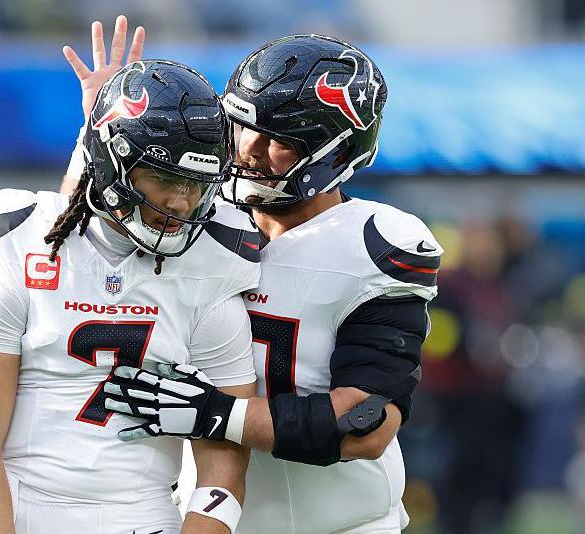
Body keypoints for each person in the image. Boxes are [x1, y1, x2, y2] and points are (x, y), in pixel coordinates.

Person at [72, 31, 442, 533]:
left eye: (280, 141)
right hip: (205, 517)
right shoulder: (193, 218)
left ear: (337, 153)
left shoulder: (374, 246)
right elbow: (75, 254)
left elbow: (365, 425)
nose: (248, 149)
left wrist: (217, 414)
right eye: (242, 125)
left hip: (342, 525)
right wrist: (97, 140)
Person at [0, 50, 261, 532]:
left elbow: (223, 462)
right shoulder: (25, 244)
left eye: (197, 185)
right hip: (20, 511)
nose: (180, 202)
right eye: (165, 178)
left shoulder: (214, 264)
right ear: (111, 163)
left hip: (142, 517)